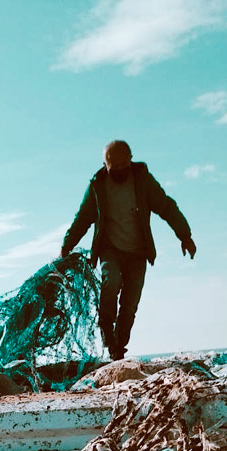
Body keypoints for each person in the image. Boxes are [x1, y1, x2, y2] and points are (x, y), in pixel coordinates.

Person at [61, 140, 196, 361]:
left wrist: (185, 235)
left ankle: (118, 349)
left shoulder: (142, 180)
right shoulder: (98, 186)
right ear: (106, 164)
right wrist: (66, 247)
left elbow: (166, 206)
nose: (121, 171)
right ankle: (106, 327)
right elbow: (82, 219)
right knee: (110, 280)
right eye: (115, 168)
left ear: (131, 160)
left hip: (137, 252)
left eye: (125, 165)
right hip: (110, 250)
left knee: (130, 303)